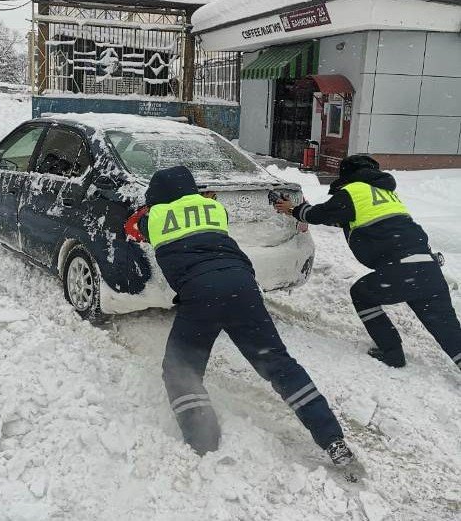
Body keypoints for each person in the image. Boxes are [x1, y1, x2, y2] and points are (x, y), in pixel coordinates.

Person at [138, 165, 355, 470]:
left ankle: (203, 441)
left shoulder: (154, 218)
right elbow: (197, 214)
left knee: (180, 369)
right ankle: (333, 439)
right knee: (279, 364)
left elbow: (138, 228)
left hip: (201, 295)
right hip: (242, 287)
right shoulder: (214, 208)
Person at [275, 154, 461, 371]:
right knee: (446, 328)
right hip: (427, 268)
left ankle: (392, 352)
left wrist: (293, 209)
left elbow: (318, 215)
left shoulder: (353, 192)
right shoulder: (386, 194)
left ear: (347, 174)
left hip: (401, 270)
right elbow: (354, 221)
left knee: (362, 294)